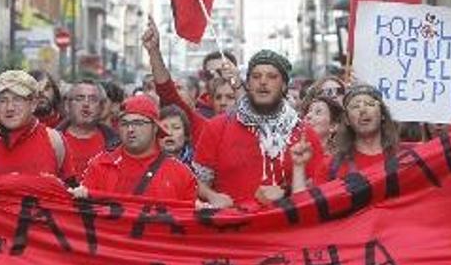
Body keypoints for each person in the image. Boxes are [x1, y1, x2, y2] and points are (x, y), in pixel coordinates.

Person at [193, 49, 325, 208]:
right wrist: (211, 196)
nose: (263, 82)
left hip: (284, 228)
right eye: (256, 76)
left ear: (284, 86)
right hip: (231, 227)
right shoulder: (217, 127)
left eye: (272, 76)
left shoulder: (304, 134)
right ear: (248, 84)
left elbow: (319, 190)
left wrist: (286, 194)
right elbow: (196, 182)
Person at [71, 96, 197, 202]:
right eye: (125, 124)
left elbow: (190, 222)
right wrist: (80, 198)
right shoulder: (100, 165)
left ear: (155, 128)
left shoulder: (181, 174)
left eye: (138, 123)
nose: (130, 129)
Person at [0, 70, 70, 187]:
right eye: (3, 100)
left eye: (17, 99)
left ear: (33, 104)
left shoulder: (55, 141)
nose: (10, 107)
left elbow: (70, 195)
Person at [143, 17, 241, 142]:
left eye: (225, 72)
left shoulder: (255, 117)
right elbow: (167, 92)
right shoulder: (200, 123)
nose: (217, 78)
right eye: (210, 74)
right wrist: (154, 51)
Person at [329, 84, 399, 178]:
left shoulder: (407, 156)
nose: (362, 110)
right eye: (355, 106)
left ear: (382, 113)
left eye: (369, 104)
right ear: (347, 119)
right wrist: (301, 167)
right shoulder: (331, 165)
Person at [57, 80, 120, 182]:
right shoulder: (52, 140)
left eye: (93, 99)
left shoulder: (116, 143)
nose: (86, 104)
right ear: (67, 106)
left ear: (102, 107)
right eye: (79, 98)